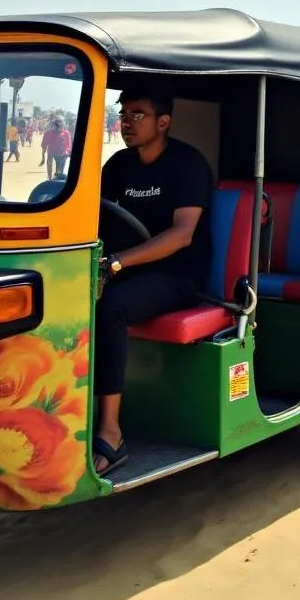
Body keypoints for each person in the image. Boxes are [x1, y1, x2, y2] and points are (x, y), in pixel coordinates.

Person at [92, 86, 213, 475]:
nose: (126, 121)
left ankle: (110, 432)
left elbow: (182, 235)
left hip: (177, 276)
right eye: (123, 113)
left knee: (112, 305)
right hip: (125, 269)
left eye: (137, 114)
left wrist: (115, 264)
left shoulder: (188, 164)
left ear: (164, 122)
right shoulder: (118, 166)